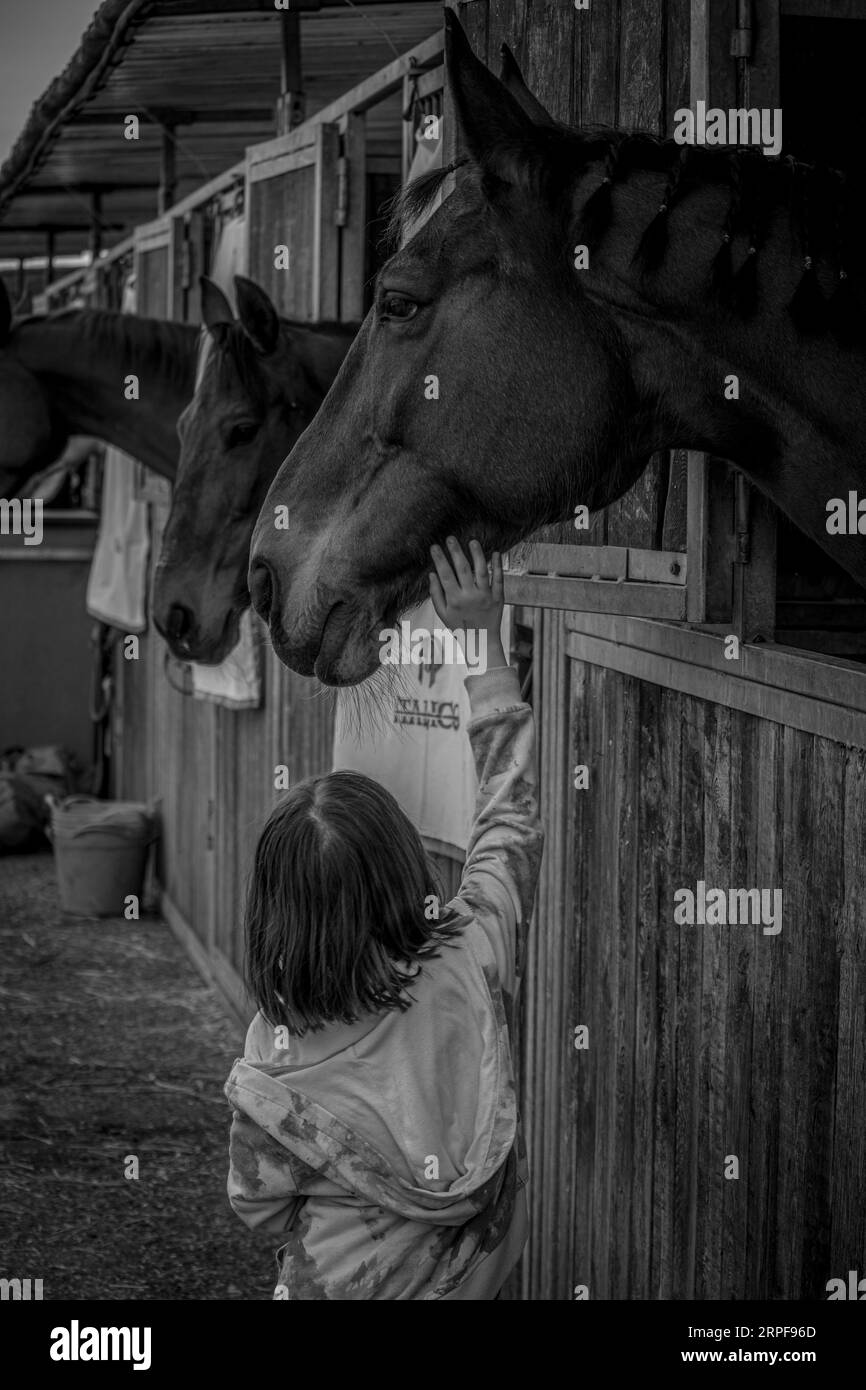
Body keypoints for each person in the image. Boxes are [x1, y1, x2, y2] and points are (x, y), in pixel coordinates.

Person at [224, 537, 544, 1299]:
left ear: (274, 918)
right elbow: (510, 823)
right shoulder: (475, 953)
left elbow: (259, 1207)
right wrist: (481, 642)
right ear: (408, 872)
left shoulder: (275, 1051)